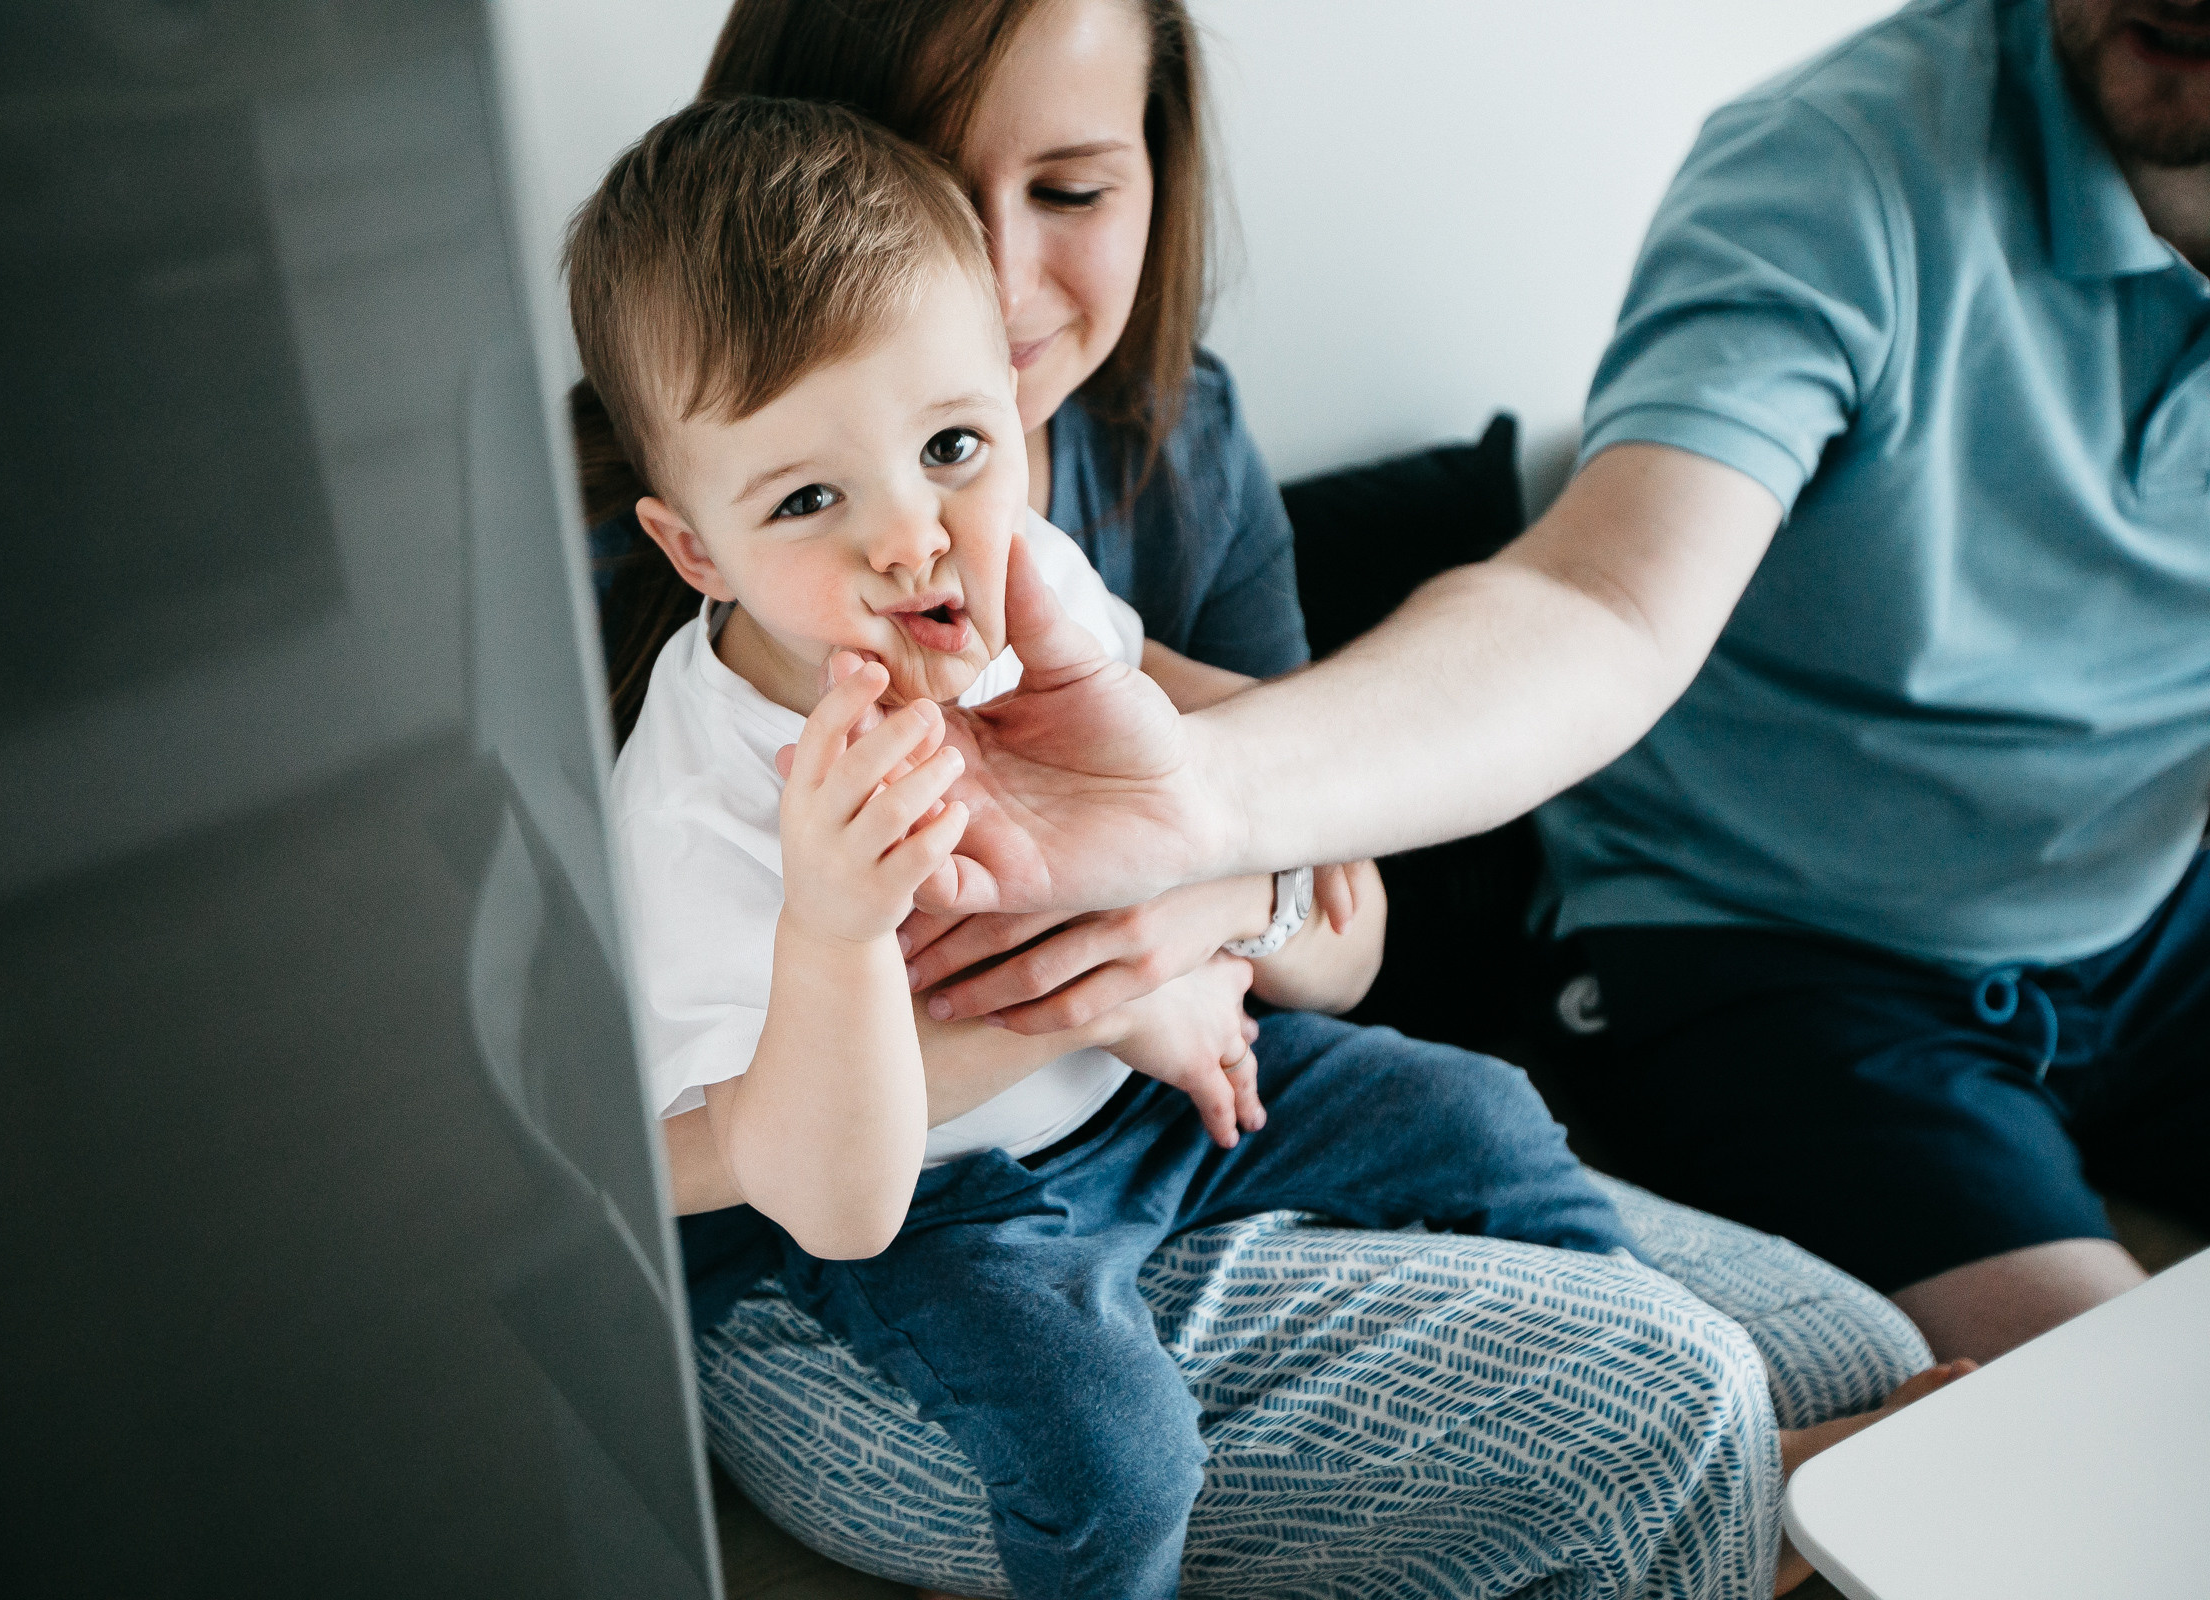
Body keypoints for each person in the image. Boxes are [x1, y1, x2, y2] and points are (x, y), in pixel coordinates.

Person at [571, 3, 1959, 1597]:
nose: (910, 536)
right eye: (946, 195)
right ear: (694, 538)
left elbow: (1327, 874)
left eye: (1074, 190)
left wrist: (1224, 883)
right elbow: (616, 1135)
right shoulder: (671, 670)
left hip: (1174, 1105)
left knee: (1818, 1331)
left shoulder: (1085, 501)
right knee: (1155, 1449)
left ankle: (1644, 1427)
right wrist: (1099, 992)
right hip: (903, 1242)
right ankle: (1678, 1482)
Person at [890, 0, 2210, 1370]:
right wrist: (1200, 833)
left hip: (2148, 911)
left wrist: (1234, 862)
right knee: (2117, 1411)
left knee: (1521, 1160)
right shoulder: (1842, 168)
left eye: (1074, 187)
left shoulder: (1189, 446)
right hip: (1777, 959)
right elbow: (1603, 600)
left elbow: (1339, 932)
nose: (994, 272)